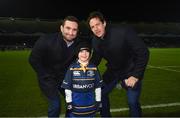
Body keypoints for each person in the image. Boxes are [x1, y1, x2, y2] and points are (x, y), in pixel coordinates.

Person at [87, 11, 149, 117]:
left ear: (104, 23)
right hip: (113, 71)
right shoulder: (95, 41)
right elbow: (96, 59)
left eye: (97, 24)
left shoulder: (123, 31)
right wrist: (83, 68)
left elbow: (143, 52)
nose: (96, 29)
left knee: (132, 102)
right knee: (100, 94)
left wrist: (135, 76)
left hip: (130, 70)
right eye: (92, 27)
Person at [29, 16, 86, 117]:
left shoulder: (79, 44)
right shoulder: (46, 40)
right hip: (48, 78)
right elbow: (33, 59)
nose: (71, 32)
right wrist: (44, 75)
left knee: (75, 102)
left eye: (74, 29)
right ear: (61, 28)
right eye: (68, 28)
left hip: (64, 78)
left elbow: (87, 50)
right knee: (55, 105)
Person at [61, 42, 103, 117]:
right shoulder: (72, 68)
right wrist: (69, 102)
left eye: (87, 51)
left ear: (90, 54)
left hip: (90, 104)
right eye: (81, 51)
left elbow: (98, 86)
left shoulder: (94, 67)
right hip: (76, 105)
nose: (84, 54)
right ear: (77, 53)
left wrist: (98, 100)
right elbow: (67, 88)